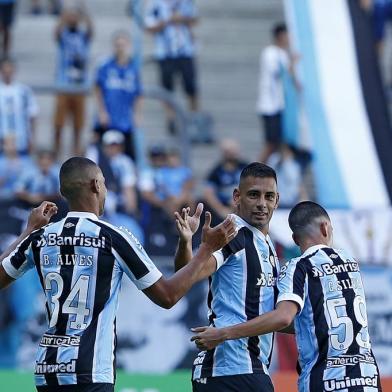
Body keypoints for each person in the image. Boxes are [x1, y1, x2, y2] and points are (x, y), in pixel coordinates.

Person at [0, 156, 237, 392]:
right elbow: (168, 296)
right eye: (103, 183)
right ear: (95, 185)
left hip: (47, 370)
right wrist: (206, 248)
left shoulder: (41, 237)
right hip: (89, 371)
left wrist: (28, 231)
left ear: (63, 191)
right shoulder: (113, 237)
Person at [192, 201, 382, 392]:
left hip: (327, 381)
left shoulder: (298, 267)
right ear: (325, 228)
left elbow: (283, 317)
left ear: (295, 238)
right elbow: (319, 320)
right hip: (368, 379)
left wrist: (223, 333)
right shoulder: (350, 263)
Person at [174, 162, 280, 392]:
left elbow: (277, 316)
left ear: (277, 200)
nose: (262, 204)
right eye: (254, 195)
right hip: (230, 369)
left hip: (249, 368)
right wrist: (186, 243)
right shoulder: (233, 235)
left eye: (268, 196)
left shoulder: (266, 243)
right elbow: (187, 277)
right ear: (237, 196)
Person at [145, 0, 199, 134]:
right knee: (167, 87)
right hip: (165, 52)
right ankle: (170, 118)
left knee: (191, 86)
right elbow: (149, 27)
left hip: (185, 50)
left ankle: (194, 117)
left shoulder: (186, 2)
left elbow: (195, 19)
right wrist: (168, 20)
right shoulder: (155, 4)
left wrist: (182, 19)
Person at [94, 31, 143, 160]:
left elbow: (138, 93)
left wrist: (136, 114)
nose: (120, 48)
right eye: (117, 45)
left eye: (123, 45)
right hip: (108, 119)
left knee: (129, 157)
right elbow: (98, 89)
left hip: (126, 120)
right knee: (103, 158)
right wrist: (102, 112)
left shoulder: (133, 69)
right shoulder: (106, 67)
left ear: (128, 46)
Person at [53, 5, 93, 156]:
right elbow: (56, 34)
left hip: (79, 84)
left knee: (78, 123)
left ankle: (75, 151)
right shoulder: (63, 34)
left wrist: (84, 13)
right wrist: (64, 17)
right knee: (58, 122)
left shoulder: (83, 35)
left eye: (75, 16)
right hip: (64, 83)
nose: (73, 19)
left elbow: (91, 32)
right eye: (71, 16)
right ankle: (56, 150)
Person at [257, 23, 299, 163]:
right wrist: (292, 64)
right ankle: (252, 173)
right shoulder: (270, 53)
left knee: (282, 143)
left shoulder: (283, 54)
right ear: (281, 36)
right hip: (269, 105)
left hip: (281, 105)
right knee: (271, 144)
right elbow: (277, 73)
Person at [203, 138, 248, 222]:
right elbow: (208, 193)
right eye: (229, 151)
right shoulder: (216, 171)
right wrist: (221, 209)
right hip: (225, 206)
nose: (232, 154)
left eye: (234, 151)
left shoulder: (245, 167)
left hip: (243, 203)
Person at [0, 58, 39, 154]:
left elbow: (32, 116)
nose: (7, 72)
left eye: (9, 69)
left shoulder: (24, 91)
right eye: (5, 69)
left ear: (14, 70)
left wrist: (32, 139)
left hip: (21, 141)